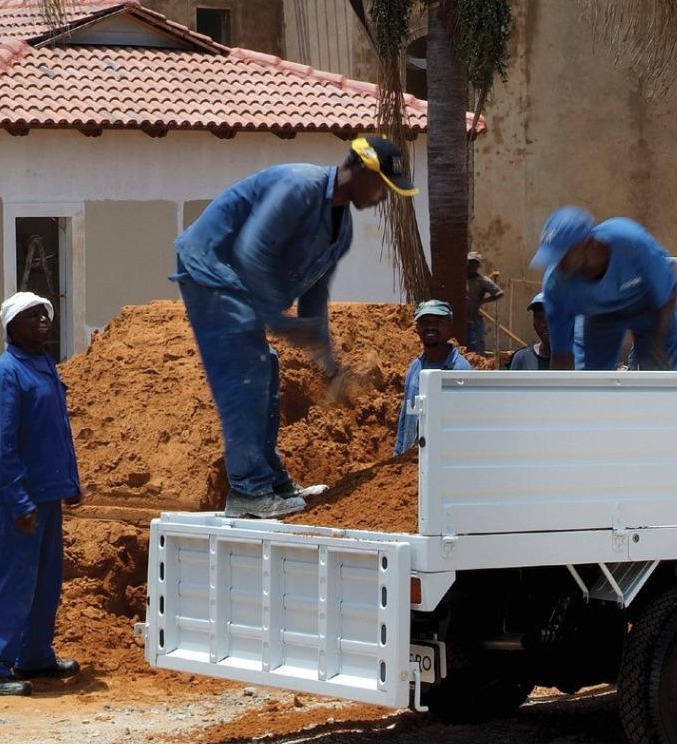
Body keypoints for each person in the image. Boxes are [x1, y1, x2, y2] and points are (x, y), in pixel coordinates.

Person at [174, 136, 418, 518]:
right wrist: (282, 323)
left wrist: (328, 362)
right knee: (245, 373)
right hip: (212, 270)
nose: (382, 198)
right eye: (382, 186)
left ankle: (271, 480)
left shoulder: (342, 231)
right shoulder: (300, 187)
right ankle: (248, 491)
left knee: (267, 370)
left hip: (241, 285)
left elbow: (314, 294)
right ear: (361, 170)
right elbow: (252, 255)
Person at [0, 292, 83, 697]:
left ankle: (34, 655)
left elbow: (58, 430)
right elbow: (1, 442)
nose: (42, 320)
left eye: (44, 313)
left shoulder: (44, 365)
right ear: (11, 327)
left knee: (45, 580)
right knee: (13, 582)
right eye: (31, 315)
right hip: (19, 497)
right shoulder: (7, 372)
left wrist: (70, 482)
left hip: (47, 493)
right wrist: (17, 501)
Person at [531, 207, 677, 371]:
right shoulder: (556, 286)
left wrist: (657, 342)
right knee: (590, 376)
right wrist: (563, 386)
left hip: (649, 307)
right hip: (600, 316)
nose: (557, 264)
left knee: (661, 360)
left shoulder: (629, 241)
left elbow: (669, 288)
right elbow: (561, 354)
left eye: (562, 255)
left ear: (587, 243)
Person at [394, 300, 472, 456]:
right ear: (417, 328)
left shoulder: (460, 370)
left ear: (449, 327)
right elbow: (405, 418)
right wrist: (398, 453)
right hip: (411, 460)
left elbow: (465, 423)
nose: (430, 327)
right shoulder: (414, 368)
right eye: (425, 322)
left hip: (445, 459)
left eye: (437, 322)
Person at [465, 250, 503, 353]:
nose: (472, 266)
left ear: (478, 266)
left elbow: (499, 293)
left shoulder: (482, 281)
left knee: (476, 348)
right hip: (460, 320)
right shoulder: (460, 279)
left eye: (475, 263)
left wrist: (482, 301)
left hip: (474, 320)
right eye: (470, 262)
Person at [507, 294, 552, 371]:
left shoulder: (573, 360)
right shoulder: (522, 358)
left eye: (550, 317)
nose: (544, 324)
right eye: (539, 317)